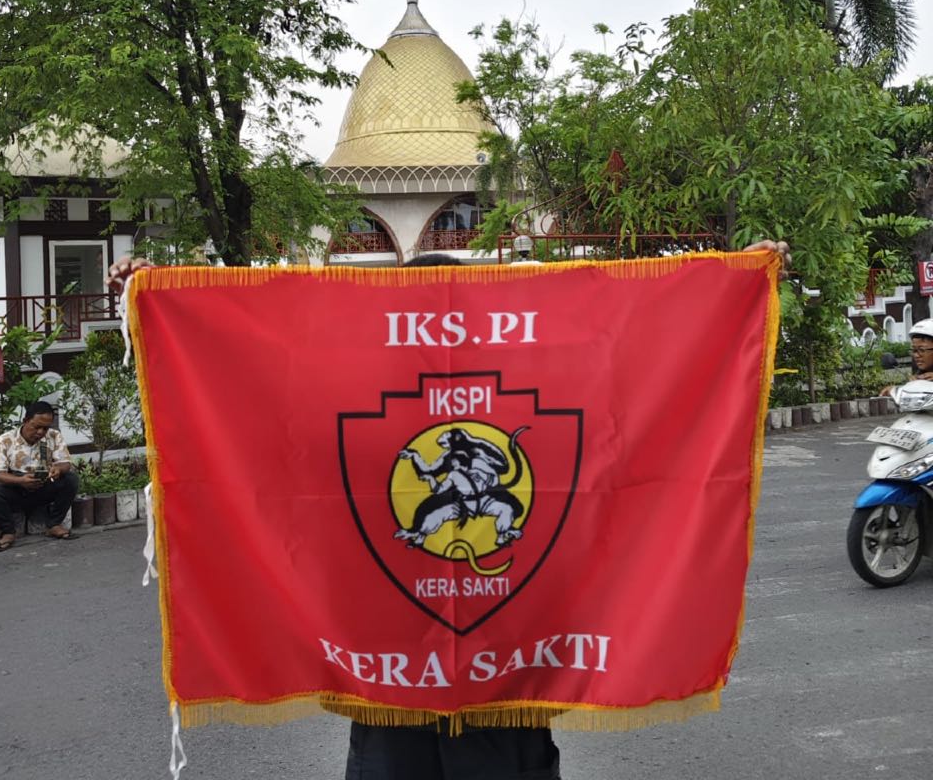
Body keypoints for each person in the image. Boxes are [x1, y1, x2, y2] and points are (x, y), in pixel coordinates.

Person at [107, 239, 790, 779]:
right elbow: (259, 391)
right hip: (391, 694)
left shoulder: (538, 397)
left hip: (506, 689)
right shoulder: (352, 403)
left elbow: (636, 369)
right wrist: (154, 300)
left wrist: (739, 285)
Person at [0, 400, 79, 552]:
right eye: (36, 427)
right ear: (25, 421)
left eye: (45, 428)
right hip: (16, 489)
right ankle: (8, 532)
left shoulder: (54, 436)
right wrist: (20, 480)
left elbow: (65, 463)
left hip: (43, 486)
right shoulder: (5, 440)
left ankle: (54, 525)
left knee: (70, 479)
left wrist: (58, 469)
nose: (40, 432)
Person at [881, 318, 933, 395]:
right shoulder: (919, 377)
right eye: (914, 350)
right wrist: (896, 391)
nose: (916, 355)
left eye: (922, 350)